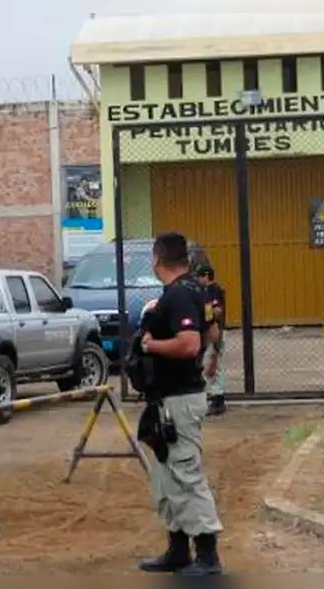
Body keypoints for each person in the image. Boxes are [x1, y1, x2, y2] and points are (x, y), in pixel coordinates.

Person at [136, 232, 224, 576]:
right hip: (167, 398)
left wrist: (150, 346)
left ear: (158, 258)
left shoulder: (179, 295)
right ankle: (177, 549)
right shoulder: (194, 291)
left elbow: (189, 344)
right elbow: (210, 335)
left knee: (185, 475)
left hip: (179, 401)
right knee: (165, 476)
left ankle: (207, 556)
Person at [196, 265, 227, 416]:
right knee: (206, 366)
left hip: (215, 333)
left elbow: (218, 311)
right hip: (207, 334)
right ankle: (213, 398)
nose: (198, 279)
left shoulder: (214, 290)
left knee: (213, 366)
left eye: (200, 276)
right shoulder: (204, 291)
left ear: (207, 276)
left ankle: (218, 400)